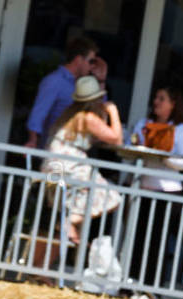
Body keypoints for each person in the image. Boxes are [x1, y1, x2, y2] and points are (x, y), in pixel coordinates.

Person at [40, 74, 122, 245]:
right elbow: (117, 139)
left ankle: (69, 226)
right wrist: (113, 111)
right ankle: (69, 221)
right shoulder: (88, 117)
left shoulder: (71, 114)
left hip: (53, 166)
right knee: (112, 197)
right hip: (70, 166)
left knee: (82, 199)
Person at [127, 86, 183, 290]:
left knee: (157, 240)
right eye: (156, 97)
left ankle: (150, 287)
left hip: (167, 192)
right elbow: (131, 145)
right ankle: (130, 282)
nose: (156, 102)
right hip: (143, 188)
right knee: (137, 238)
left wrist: (163, 156)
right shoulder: (143, 124)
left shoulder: (181, 129)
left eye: (161, 98)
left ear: (173, 104)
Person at [24, 35, 103, 149]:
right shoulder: (55, 81)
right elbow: (38, 113)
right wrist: (33, 140)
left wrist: (101, 79)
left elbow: (99, 108)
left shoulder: (84, 83)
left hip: (77, 147)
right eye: (91, 61)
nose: (92, 67)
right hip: (54, 147)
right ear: (78, 59)